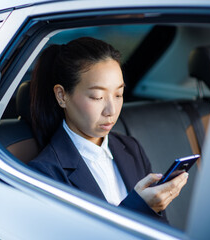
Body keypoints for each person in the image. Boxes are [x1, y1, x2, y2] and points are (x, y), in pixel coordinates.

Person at [27, 37, 188, 222]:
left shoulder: (130, 147)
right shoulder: (45, 174)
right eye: (97, 97)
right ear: (62, 96)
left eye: (118, 94)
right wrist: (139, 208)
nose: (111, 110)